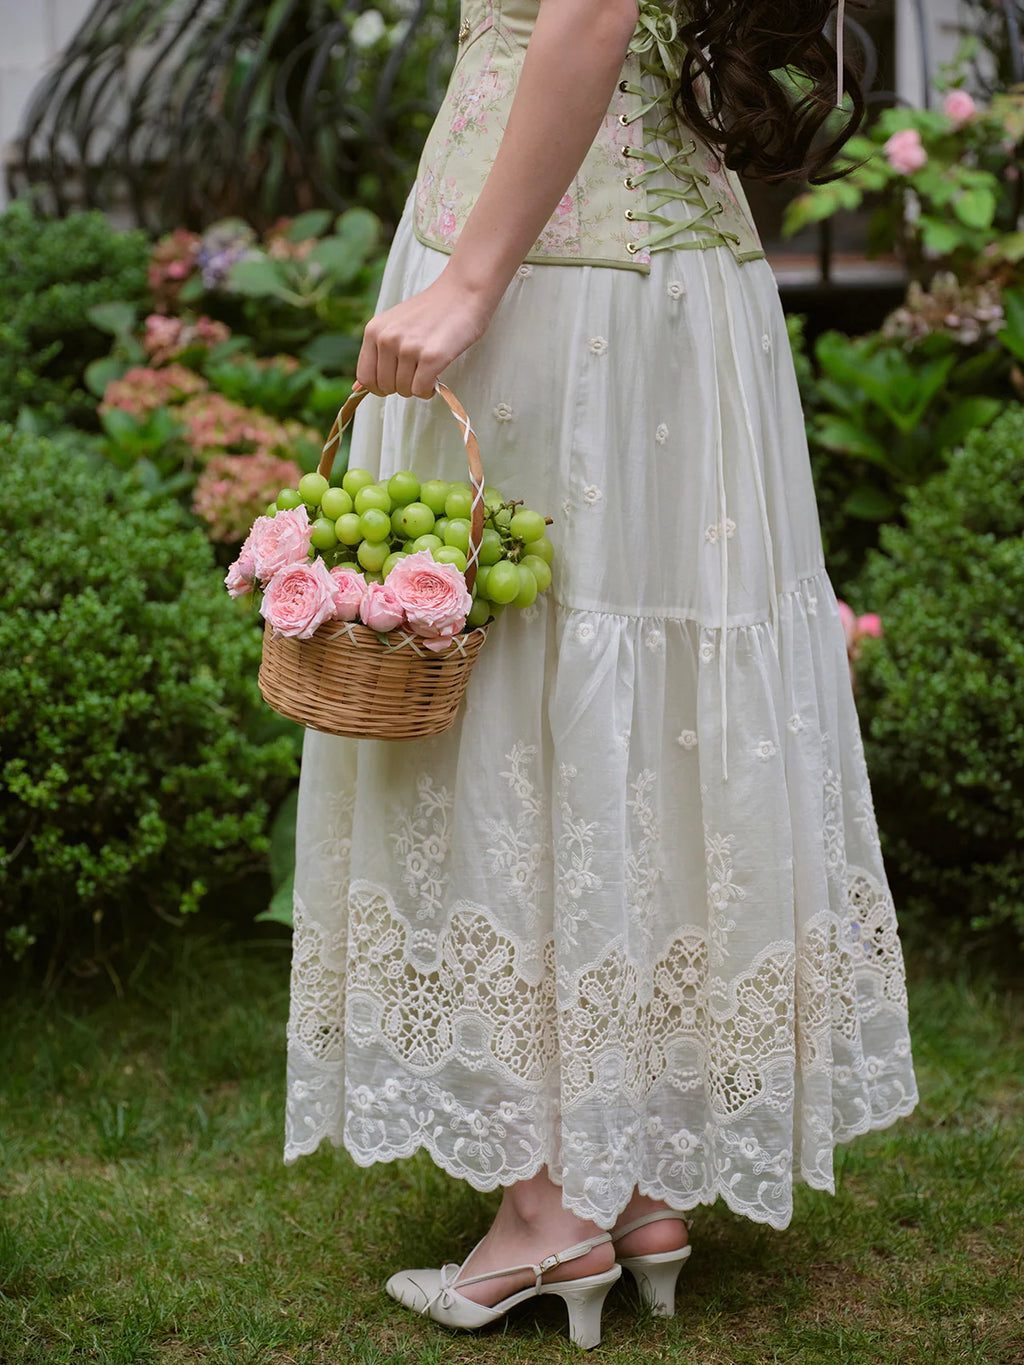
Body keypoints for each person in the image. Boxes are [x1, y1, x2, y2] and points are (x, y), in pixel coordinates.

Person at [283, 0, 919, 1348]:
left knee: (511, 692)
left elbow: (586, 8)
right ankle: (624, 1180)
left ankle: (546, 1208)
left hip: (550, 285)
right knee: (627, 699)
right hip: (679, 282)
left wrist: (469, 284)